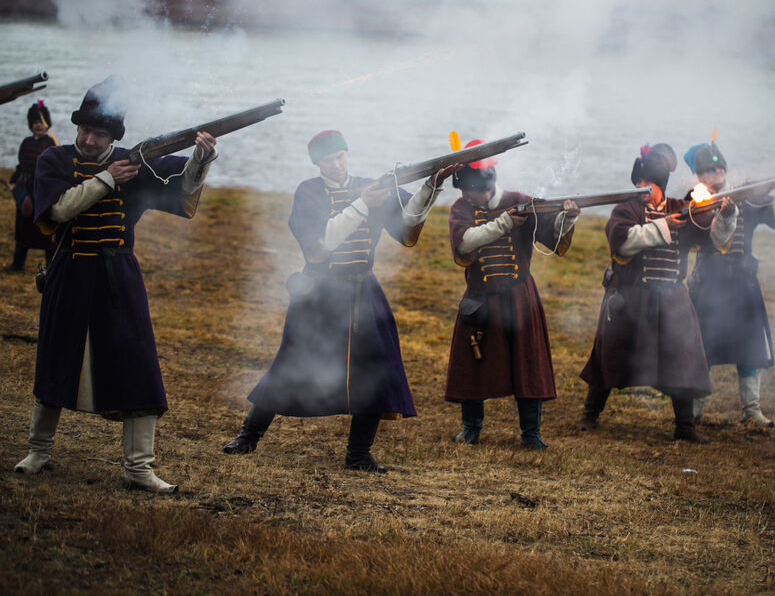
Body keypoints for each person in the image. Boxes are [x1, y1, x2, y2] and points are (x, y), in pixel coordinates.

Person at [14, 75, 217, 493]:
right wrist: (107, 178)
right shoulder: (54, 159)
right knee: (56, 359)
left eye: (99, 133)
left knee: (138, 366)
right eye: (85, 130)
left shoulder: (136, 160)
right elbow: (58, 211)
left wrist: (201, 157)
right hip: (69, 270)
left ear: (113, 135)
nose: (88, 139)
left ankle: (139, 468)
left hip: (118, 275)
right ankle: (39, 450)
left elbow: (182, 188)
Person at [222, 130, 454, 473]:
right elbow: (318, 248)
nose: (336, 164)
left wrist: (431, 187)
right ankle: (248, 436)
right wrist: (362, 205)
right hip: (319, 292)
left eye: (340, 156)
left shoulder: (369, 185)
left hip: (363, 291)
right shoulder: (309, 192)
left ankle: (358, 454)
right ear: (317, 163)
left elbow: (408, 225)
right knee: (290, 364)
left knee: (375, 368)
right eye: (328, 160)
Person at [576, 143, 735, 443]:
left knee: (682, 359)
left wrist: (725, 215)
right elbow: (622, 243)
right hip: (631, 297)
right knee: (609, 355)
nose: (640, 188)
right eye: (639, 183)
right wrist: (663, 226)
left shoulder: (681, 207)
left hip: (673, 298)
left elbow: (713, 239)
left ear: (658, 185)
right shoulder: (626, 209)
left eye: (646, 184)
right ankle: (589, 414)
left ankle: (685, 428)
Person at [445, 142, 578, 449]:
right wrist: (503, 223)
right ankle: (471, 428)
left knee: (528, 364)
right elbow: (464, 244)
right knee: (472, 365)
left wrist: (568, 218)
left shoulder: (520, 201)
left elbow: (552, 238)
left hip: (520, 295)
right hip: (480, 297)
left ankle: (531, 434)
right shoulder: (461, 208)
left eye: (472, 191)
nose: (467, 196)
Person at [683, 141, 775, 427]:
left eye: (720, 166)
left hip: (743, 283)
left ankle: (752, 409)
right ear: (699, 176)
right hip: (709, 285)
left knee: (750, 348)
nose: (717, 170)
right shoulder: (697, 202)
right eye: (709, 168)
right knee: (703, 350)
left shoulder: (746, 198)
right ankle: (693, 411)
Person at [4, 100, 57, 272]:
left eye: (41, 121)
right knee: (23, 228)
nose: (38, 125)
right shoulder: (26, 142)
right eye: (34, 122)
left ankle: (52, 266)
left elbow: (55, 169)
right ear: (30, 125)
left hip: (42, 192)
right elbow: (21, 166)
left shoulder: (51, 144)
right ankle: (18, 264)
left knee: (46, 229)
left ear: (46, 123)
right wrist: (14, 181)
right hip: (26, 190)